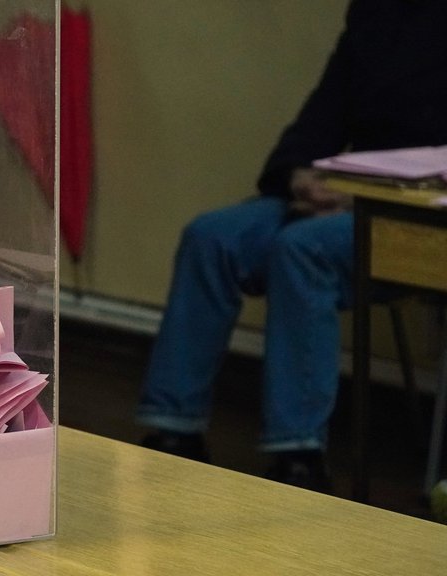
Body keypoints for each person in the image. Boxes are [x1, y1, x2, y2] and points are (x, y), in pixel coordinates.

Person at [136, 0, 447, 492]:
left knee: (302, 249)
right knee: (211, 237)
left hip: (418, 210)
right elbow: (324, 113)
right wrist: (299, 174)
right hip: (351, 194)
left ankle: (297, 456)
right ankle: (173, 430)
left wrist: (367, 194)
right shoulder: (378, 13)